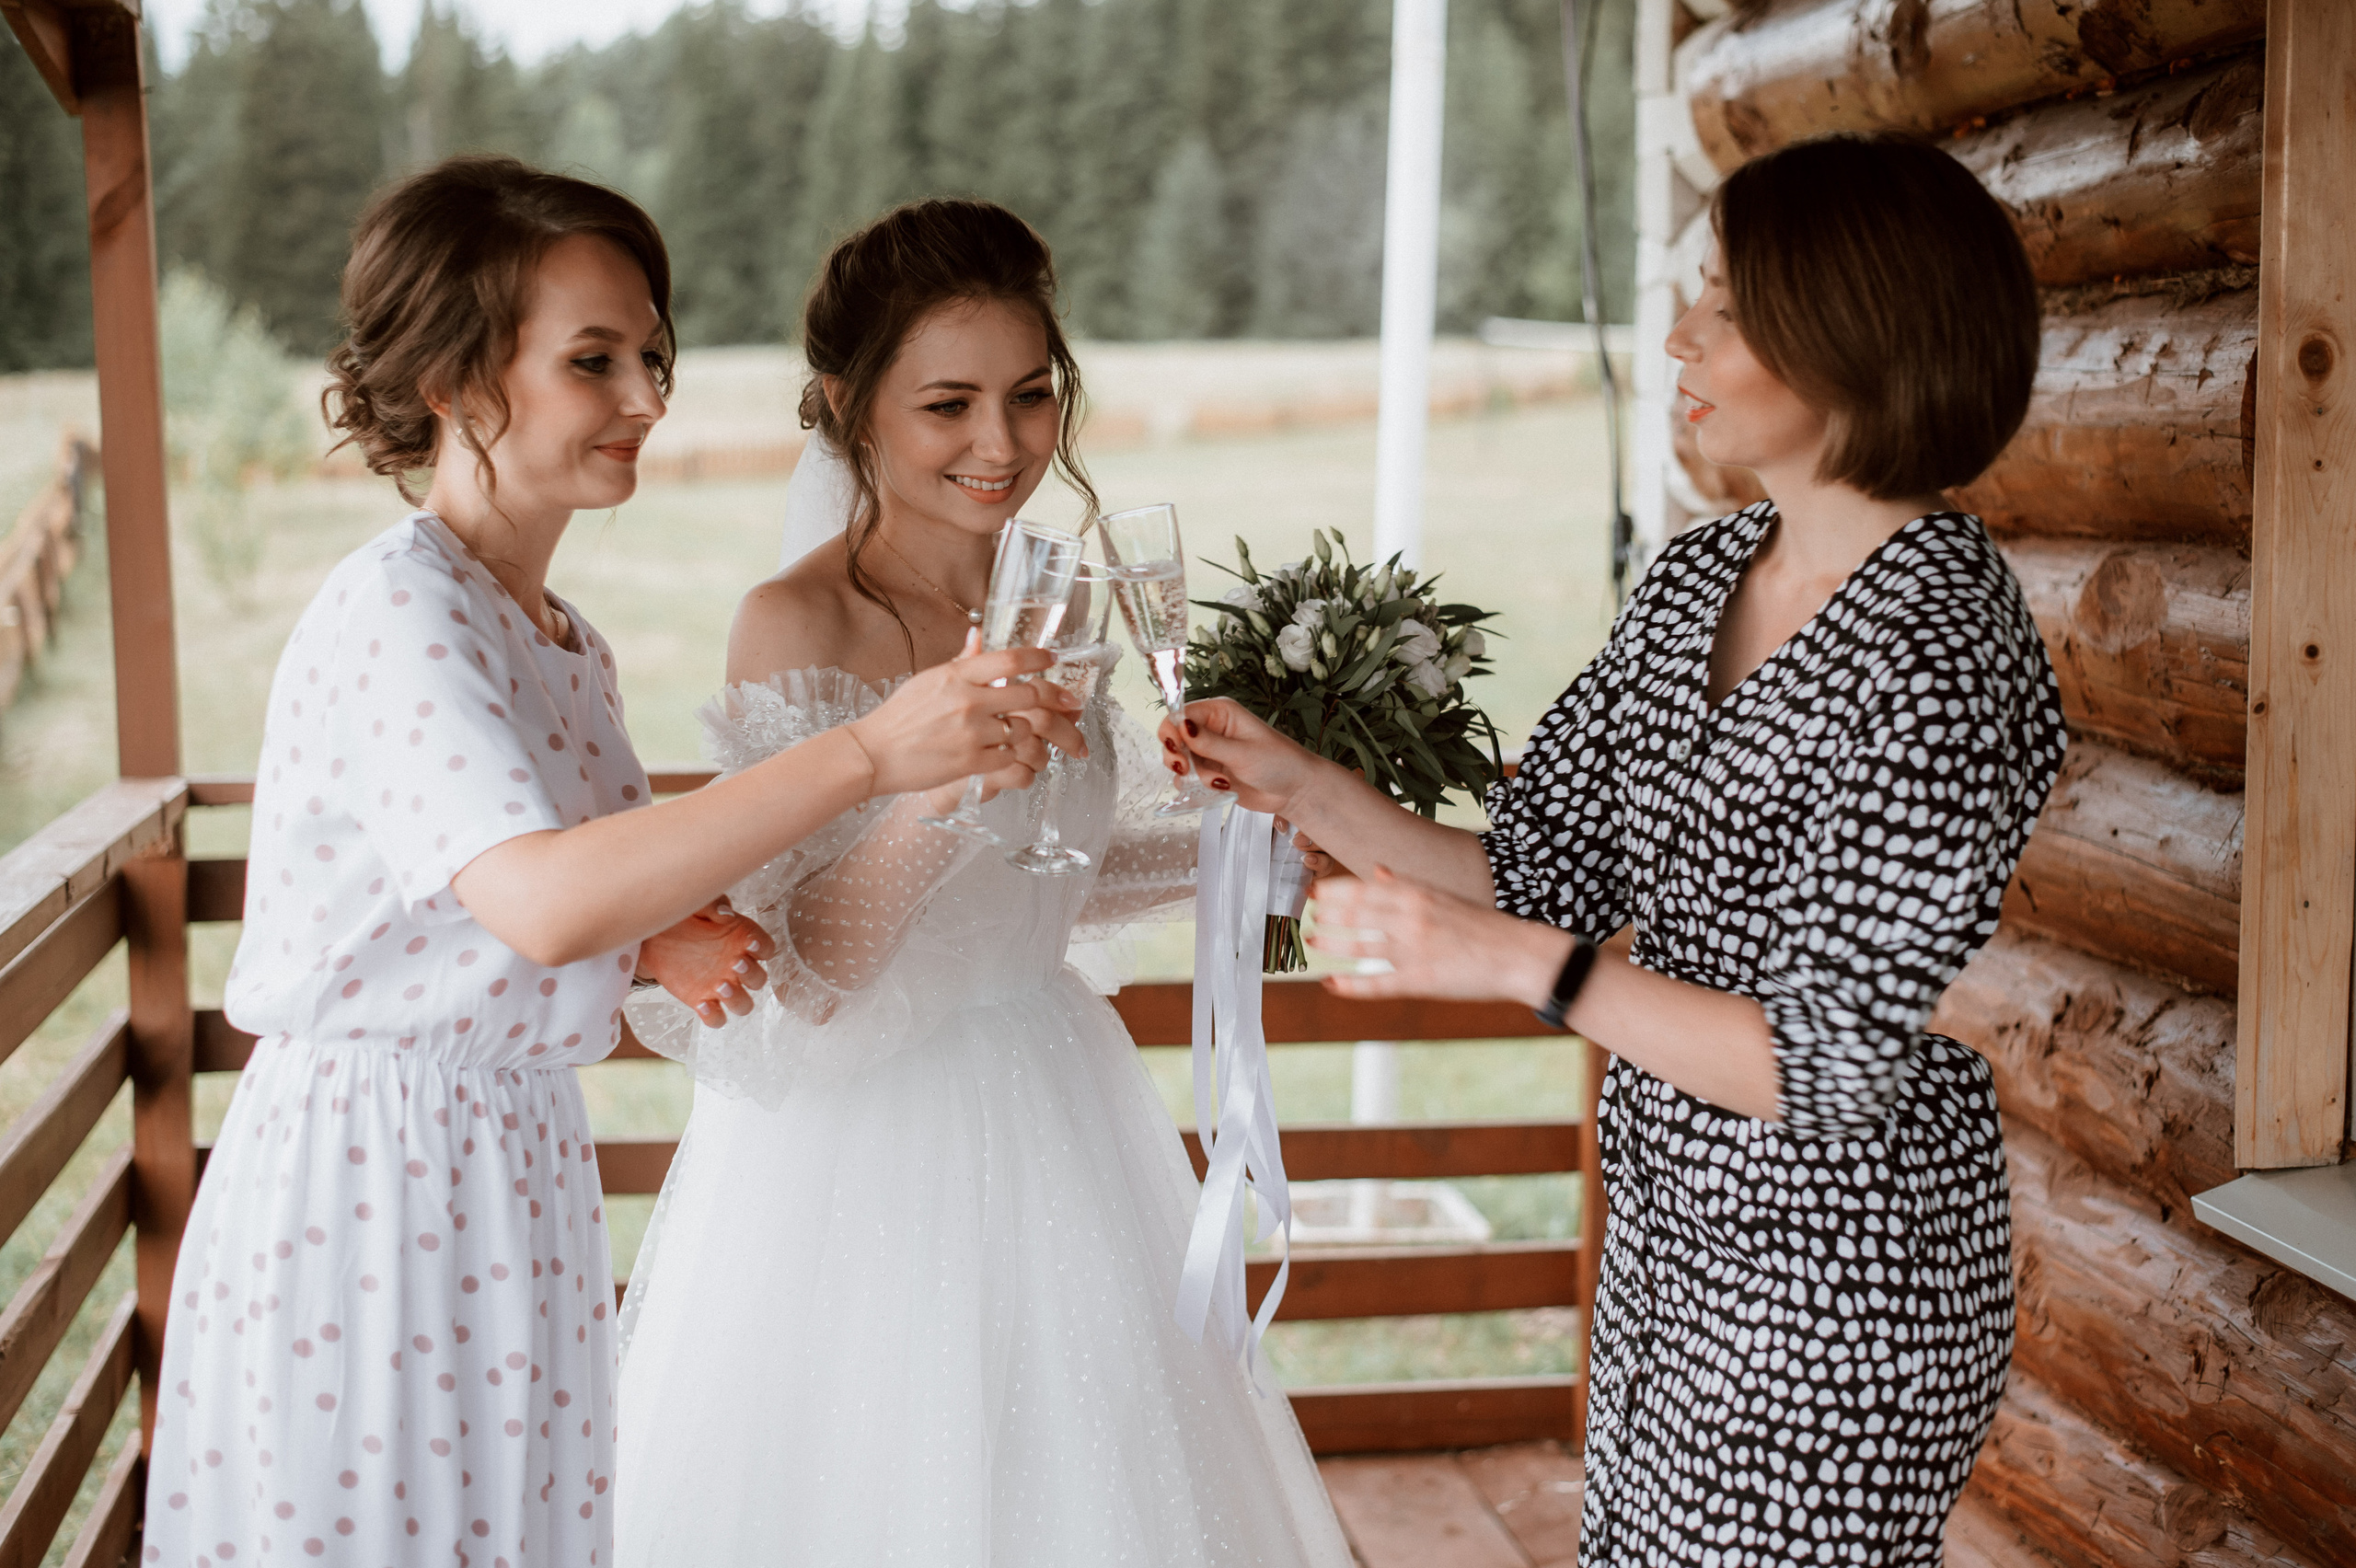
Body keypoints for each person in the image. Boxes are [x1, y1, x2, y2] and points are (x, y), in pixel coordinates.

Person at [143, 157, 1079, 1568]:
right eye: (595, 362)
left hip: (509, 1173)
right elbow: (542, 894)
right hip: (371, 1195)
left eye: (651, 356)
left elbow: (521, 891)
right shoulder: (399, 611)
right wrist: (872, 756)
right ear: (458, 380)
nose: (649, 398)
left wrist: (655, 942)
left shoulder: (555, 633)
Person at [1169, 133, 2063, 1562]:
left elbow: (1824, 1065)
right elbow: (1540, 869)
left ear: (1859, 328)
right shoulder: (1702, 573)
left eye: (1727, 303)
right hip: (1668, 1243)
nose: (1679, 335)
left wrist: (1524, 967)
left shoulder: (1944, 649)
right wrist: (1304, 786)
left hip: (1844, 1283)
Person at [613, 199, 1351, 1567]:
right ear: (848, 407)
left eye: (1029, 396)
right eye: (947, 404)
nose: (1001, 445)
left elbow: (1048, 882)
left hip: (1059, 1093)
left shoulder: (1062, 598)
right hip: (862, 1154)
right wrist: (936, 793)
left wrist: (1246, 847)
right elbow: (804, 973)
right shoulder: (797, 621)